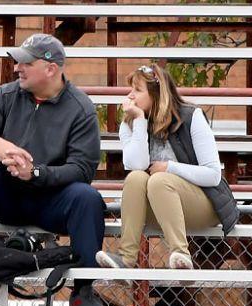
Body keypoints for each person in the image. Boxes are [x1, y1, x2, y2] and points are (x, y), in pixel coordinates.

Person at [0, 32, 111, 306]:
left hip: (50, 200)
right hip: (5, 195)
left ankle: (83, 293)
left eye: (25, 62)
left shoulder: (81, 108)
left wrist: (35, 173)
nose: (17, 68)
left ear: (50, 69)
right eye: (18, 62)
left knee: (87, 197)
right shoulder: (6, 95)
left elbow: (82, 170)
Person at [100, 63, 237, 271]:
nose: (130, 96)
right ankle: (126, 260)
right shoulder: (130, 122)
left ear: (156, 94)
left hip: (204, 204)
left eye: (137, 90)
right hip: (160, 205)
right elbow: (136, 165)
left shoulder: (191, 116)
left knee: (159, 179)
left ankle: (181, 255)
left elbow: (213, 176)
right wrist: (138, 121)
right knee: (136, 178)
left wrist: (170, 167)